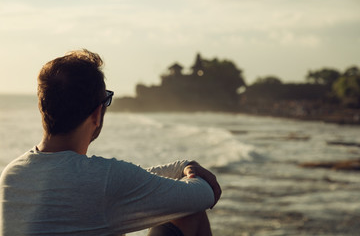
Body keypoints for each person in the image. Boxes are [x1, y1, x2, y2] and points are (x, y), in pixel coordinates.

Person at [0, 49, 221, 236]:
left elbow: (126, 183)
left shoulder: (11, 175)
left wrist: (181, 166)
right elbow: (204, 195)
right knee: (190, 212)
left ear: (42, 107)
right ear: (97, 114)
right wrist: (192, 172)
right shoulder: (105, 179)